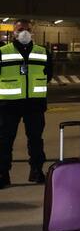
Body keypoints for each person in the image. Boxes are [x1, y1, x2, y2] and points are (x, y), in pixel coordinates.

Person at [0, 19, 52, 188]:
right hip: (8, 105)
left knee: (36, 139)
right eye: (20, 29)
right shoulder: (3, 52)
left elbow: (49, 74)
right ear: (13, 32)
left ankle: (37, 171)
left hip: (34, 105)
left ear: (33, 32)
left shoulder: (43, 52)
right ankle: (3, 174)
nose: (24, 32)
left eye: (27, 29)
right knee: (5, 141)